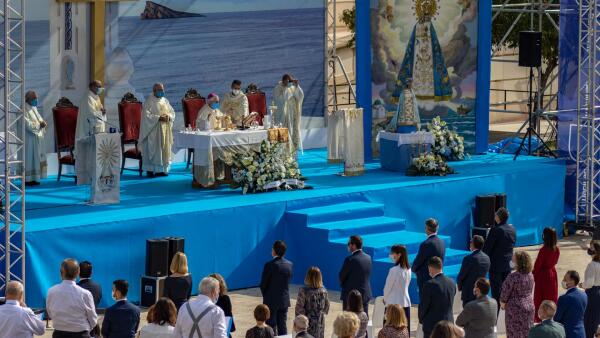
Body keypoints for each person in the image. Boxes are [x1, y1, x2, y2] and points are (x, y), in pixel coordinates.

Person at [46, 258, 98, 338]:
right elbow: (93, 320)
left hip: (59, 334)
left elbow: (50, 313)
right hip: (81, 334)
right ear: (78, 272)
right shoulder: (85, 294)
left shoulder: (51, 291)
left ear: (61, 273)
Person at [139, 82, 175, 177]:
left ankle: (161, 170)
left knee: (163, 150)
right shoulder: (149, 101)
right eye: (159, 90)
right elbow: (146, 116)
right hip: (153, 131)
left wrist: (168, 116)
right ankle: (150, 170)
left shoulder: (165, 100)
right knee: (154, 150)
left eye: (162, 89)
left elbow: (172, 112)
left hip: (164, 130)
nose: (161, 91)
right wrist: (158, 118)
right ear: (154, 91)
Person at [483, 207, 517, 307]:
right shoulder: (512, 229)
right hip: (507, 265)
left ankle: (497, 315)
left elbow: (487, 249)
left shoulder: (495, 230)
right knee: (506, 290)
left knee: (497, 292)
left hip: (496, 266)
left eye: (496, 214)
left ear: (498, 217)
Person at [260, 240, 293, 335]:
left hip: (271, 301)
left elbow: (263, 284)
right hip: (284, 300)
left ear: (274, 250)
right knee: (282, 326)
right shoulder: (289, 264)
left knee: (270, 326)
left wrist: (266, 297)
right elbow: (288, 280)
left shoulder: (270, 265)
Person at [418, 256, 457, 338]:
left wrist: (421, 319)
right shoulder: (452, 282)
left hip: (433, 326)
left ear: (430, 268)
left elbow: (424, 306)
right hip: (449, 324)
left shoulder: (429, 284)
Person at [500, 251, 535, 338]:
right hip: (529, 307)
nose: (511, 261)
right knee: (527, 333)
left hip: (514, 310)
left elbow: (504, 293)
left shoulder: (512, 277)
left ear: (518, 262)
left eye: (513, 259)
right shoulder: (530, 275)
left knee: (514, 334)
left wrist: (502, 304)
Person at [194, 93, 226, 188]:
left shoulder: (216, 110)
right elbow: (199, 125)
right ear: (210, 101)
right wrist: (207, 121)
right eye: (216, 102)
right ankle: (211, 178)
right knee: (218, 150)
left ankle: (223, 176)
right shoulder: (204, 111)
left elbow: (222, 119)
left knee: (228, 148)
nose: (217, 103)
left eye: (218, 102)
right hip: (206, 140)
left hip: (216, 138)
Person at [533, 227, 560, 323]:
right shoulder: (556, 249)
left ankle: (539, 319)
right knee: (551, 296)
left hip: (543, 276)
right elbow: (555, 261)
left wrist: (533, 276)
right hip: (552, 274)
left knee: (540, 298)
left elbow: (537, 266)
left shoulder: (543, 250)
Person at [339, 235, 372, 314]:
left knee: (349, 323)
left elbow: (341, 277)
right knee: (363, 322)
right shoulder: (368, 258)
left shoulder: (349, 259)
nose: (348, 245)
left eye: (349, 243)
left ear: (353, 245)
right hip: (364, 295)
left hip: (351, 297)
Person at [412, 218, 446, 294]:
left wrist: (413, 269)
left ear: (426, 228)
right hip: (438, 277)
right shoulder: (442, 243)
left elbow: (419, 260)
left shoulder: (426, 244)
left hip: (426, 279)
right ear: (437, 228)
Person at [295, 266, 330, 338]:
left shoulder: (303, 290)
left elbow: (299, 309)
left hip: (307, 323)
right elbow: (326, 308)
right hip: (320, 323)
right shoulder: (324, 291)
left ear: (308, 276)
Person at [383, 244, 411, 332]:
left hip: (393, 305)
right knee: (404, 331)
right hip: (405, 303)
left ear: (399, 255)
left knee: (389, 331)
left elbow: (387, 287)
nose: (391, 255)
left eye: (393, 253)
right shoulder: (408, 269)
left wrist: (385, 298)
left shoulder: (393, 270)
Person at [273, 74, 304, 153]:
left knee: (294, 131)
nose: (288, 82)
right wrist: (287, 88)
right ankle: (285, 150)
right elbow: (280, 100)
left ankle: (293, 149)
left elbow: (300, 97)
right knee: (286, 131)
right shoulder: (278, 88)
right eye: (286, 80)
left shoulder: (292, 87)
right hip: (284, 115)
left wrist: (297, 86)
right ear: (283, 80)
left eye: (289, 80)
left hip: (293, 113)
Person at [456, 235, 490, 306]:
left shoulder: (469, 259)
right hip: (482, 293)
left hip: (469, 294)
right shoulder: (487, 258)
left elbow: (461, 276)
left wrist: (459, 286)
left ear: (473, 244)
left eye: (471, 242)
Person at [24, 90, 47, 186]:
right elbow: (27, 124)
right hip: (29, 139)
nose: (36, 100)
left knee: (36, 158)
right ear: (28, 99)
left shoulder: (33, 108)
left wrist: (43, 123)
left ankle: (35, 178)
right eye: (34, 98)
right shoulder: (23, 109)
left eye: (36, 98)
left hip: (37, 137)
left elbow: (39, 118)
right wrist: (39, 125)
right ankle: (28, 179)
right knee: (30, 158)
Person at [555, 270, 588, 338]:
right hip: (581, 333)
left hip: (568, 333)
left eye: (565, 279)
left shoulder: (564, 298)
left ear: (572, 282)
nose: (563, 281)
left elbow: (557, 319)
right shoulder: (584, 295)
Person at [584, 242, 600, 338]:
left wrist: (582, 285)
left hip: (592, 293)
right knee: (596, 319)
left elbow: (589, 283)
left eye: (591, 248)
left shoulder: (592, 265)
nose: (589, 250)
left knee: (589, 321)